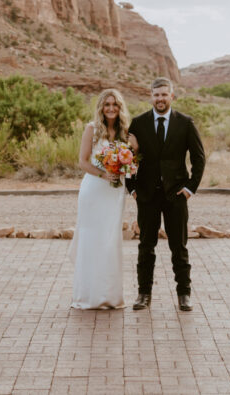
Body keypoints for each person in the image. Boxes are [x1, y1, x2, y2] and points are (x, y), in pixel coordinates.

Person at [126, 77, 205, 312]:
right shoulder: (138, 123)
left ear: (172, 96)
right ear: (150, 97)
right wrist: (131, 188)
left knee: (178, 246)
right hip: (147, 196)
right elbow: (128, 157)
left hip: (176, 195)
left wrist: (190, 188)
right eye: (156, 94)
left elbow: (199, 159)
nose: (160, 99)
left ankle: (184, 294)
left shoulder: (186, 123)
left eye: (164, 94)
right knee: (145, 246)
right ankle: (144, 294)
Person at [69, 88, 130, 310]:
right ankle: (88, 296)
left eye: (115, 104)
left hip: (114, 193)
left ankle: (110, 296)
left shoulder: (125, 133)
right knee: (92, 240)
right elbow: (83, 162)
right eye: (107, 104)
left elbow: (132, 161)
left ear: (120, 107)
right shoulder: (92, 129)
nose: (111, 108)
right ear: (101, 107)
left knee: (110, 241)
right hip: (94, 190)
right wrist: (104, 174)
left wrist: (129, 163)